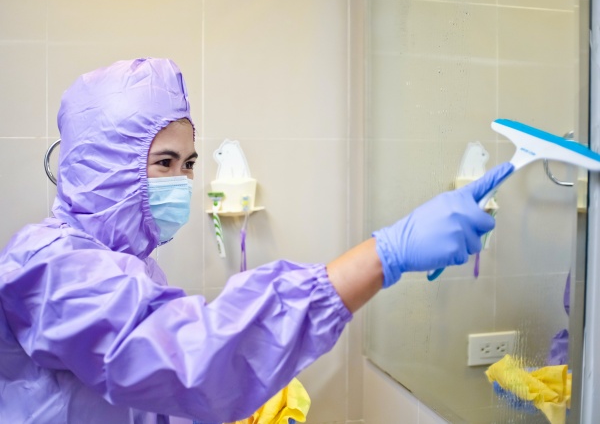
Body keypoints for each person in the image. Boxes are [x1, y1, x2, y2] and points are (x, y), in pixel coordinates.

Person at [0, 58, 513, 424]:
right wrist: (384, 255)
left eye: (189, 164)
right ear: (103, 167)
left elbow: (142, 392)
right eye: (163, 163)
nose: (182, 181)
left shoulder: (124, 265)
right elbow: (186, 361)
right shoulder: (48, 268)